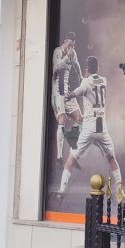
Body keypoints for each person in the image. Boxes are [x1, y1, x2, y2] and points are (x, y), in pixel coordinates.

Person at [58, 56, 121, 196]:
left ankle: (62, 189)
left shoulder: (85, 82)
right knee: (111, 158)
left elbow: (77, 91)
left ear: (87, 68)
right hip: (100, 125)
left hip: (89, 124)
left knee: (71, 159)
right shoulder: (104, 80)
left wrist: (69, 95)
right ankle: (120, 189)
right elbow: (93, 84)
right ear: (97, 67)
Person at [51, 32, 82, 161]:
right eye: (70, 45)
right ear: (65, 42)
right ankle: (59, 156)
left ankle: (72, 143)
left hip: (67, 91)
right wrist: (66, 57)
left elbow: (77, 63)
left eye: (73, 46)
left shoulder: (73, 53)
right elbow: (56, 67)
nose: (71, 48)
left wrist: (81, 77)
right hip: (57, 92)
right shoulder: (58, 51)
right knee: (62, 119)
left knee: (79, 118)